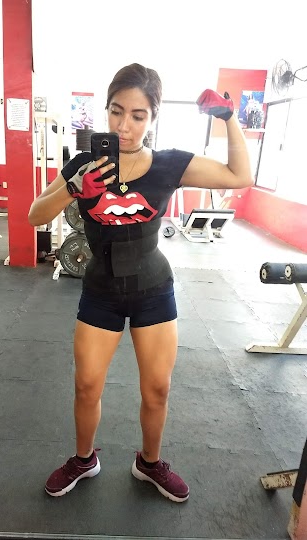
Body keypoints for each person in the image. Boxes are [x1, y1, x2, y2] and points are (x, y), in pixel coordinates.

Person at [28, 63, 253, 502]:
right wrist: (74, 188)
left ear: (152, 118)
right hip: (101, 291)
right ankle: (84, 459)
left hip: (153, 289)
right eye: (116, 111)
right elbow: (35, 215)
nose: (124, 126)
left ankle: (149, 463)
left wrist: (228, 118)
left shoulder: (169, 165)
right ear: (106, 110)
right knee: (86, 385)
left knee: (157, 389)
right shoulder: (83, 164)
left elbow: (239, 176)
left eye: (137, 115)